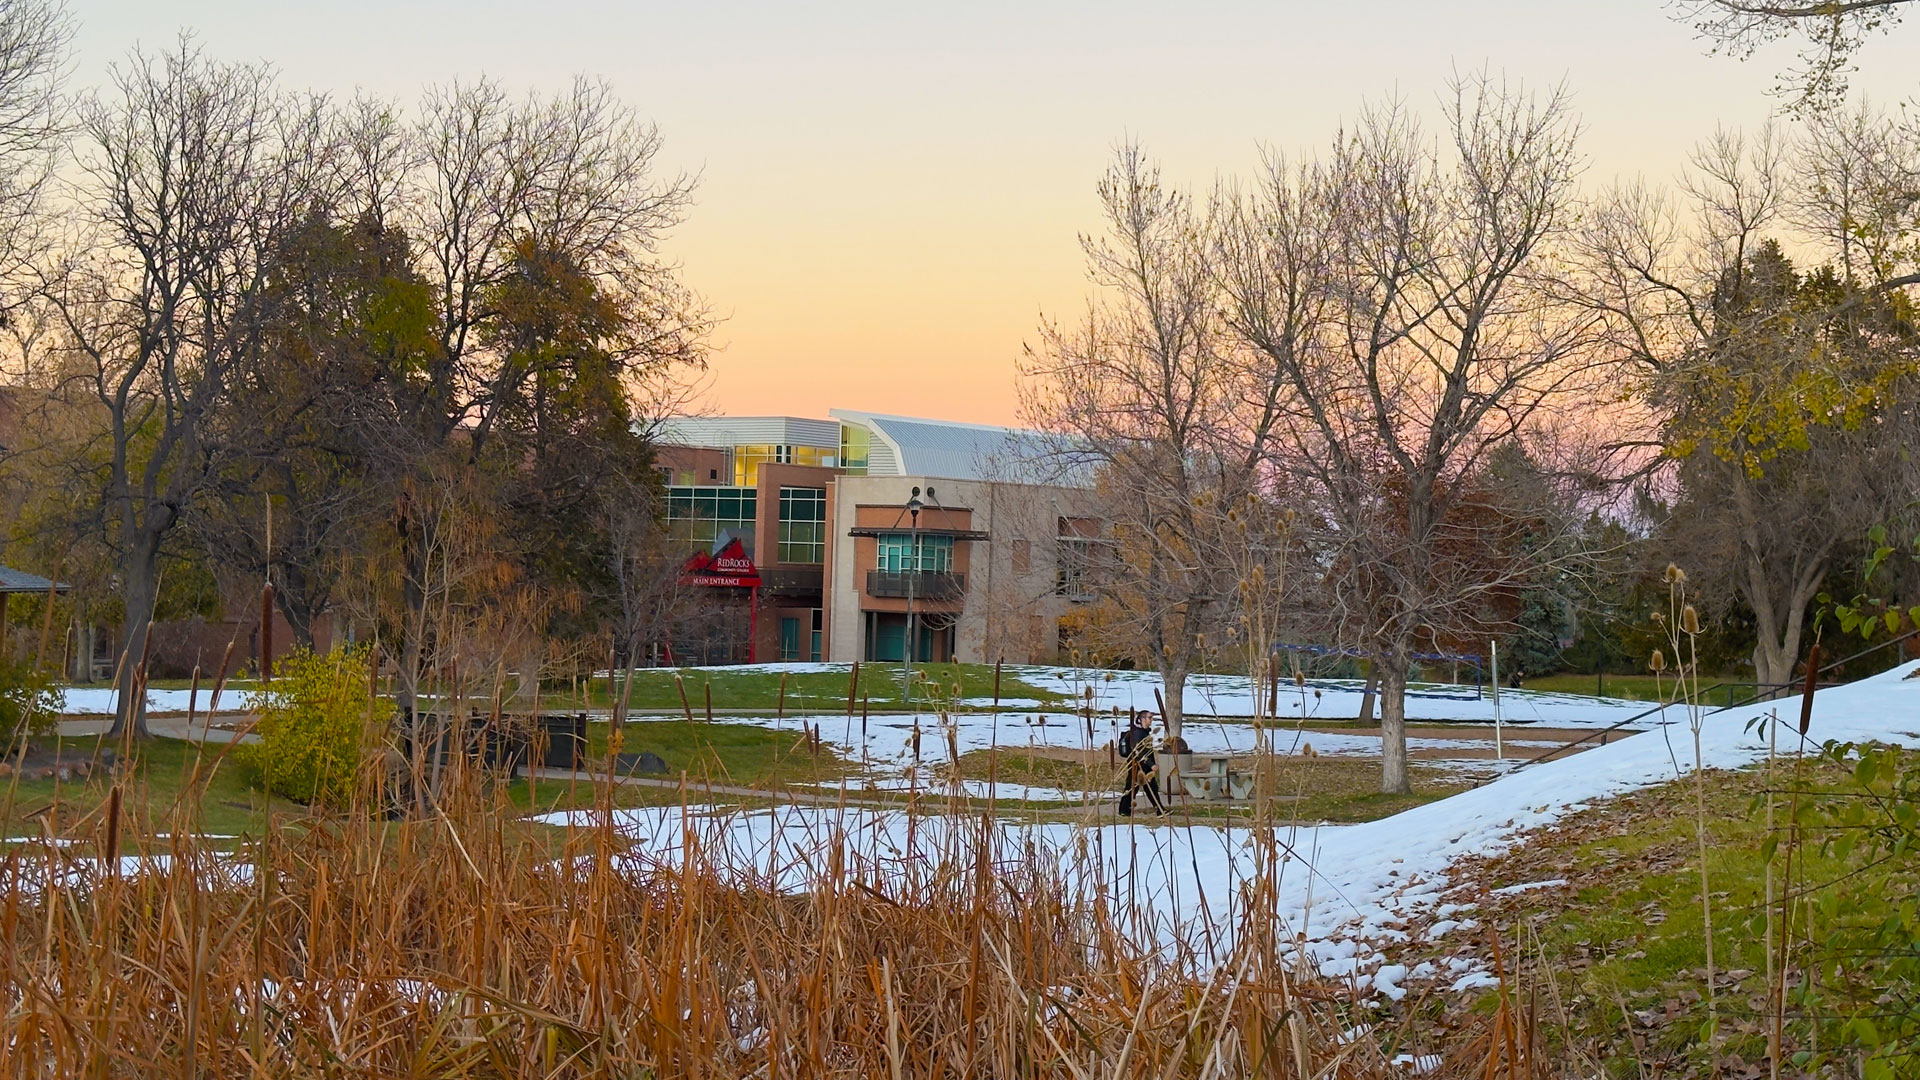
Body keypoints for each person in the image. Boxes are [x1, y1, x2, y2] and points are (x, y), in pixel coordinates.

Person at [1117, 710, 1168, 816]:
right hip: (1138, 765)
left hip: (1143, 765)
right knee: (1132, 788)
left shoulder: (1144, 732)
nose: (1151, 720)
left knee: (1149, 788)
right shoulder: (1137, 733)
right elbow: (1139, 752)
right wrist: (1151, 764)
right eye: (1149, 718)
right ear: (1142, 719)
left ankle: (1159, 810)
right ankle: (1124, 809)